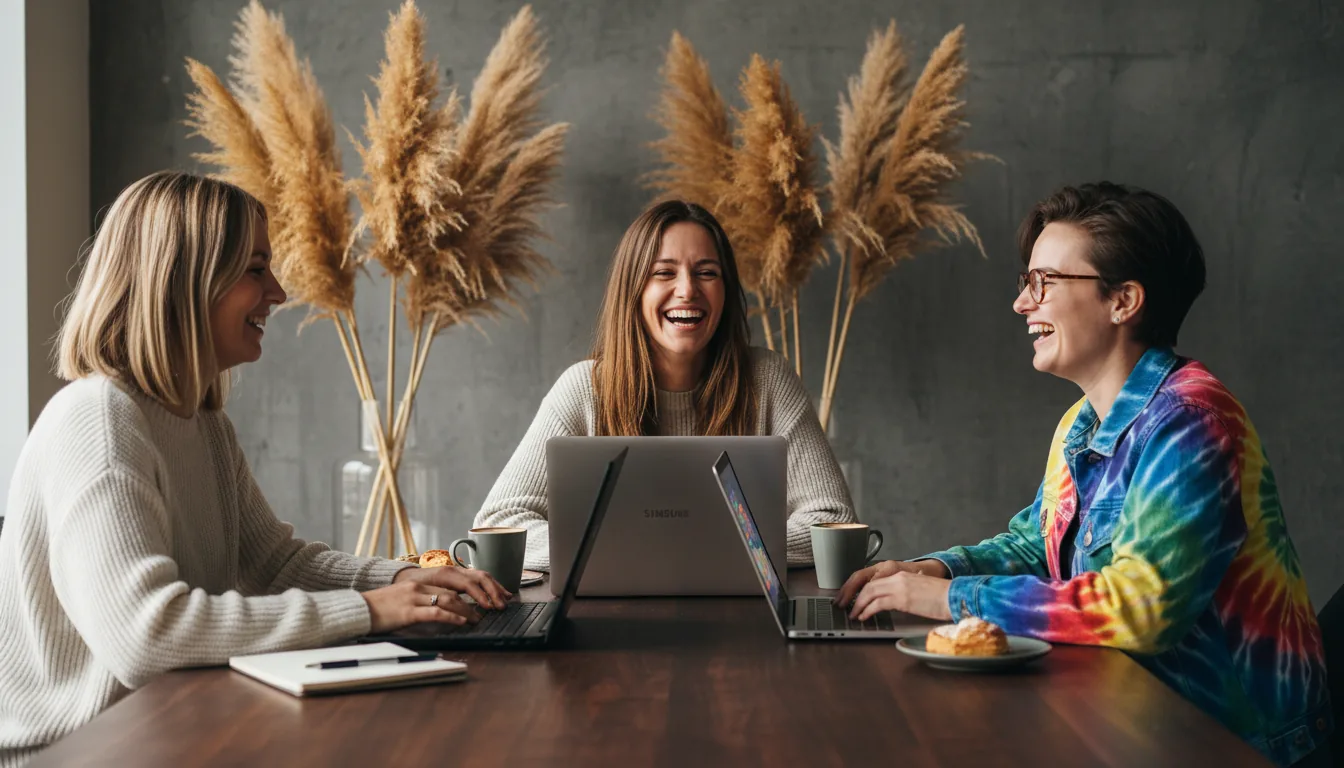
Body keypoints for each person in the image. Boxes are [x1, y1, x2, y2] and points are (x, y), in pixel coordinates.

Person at [0, 171, 509, 766]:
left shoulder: (201, 424)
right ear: (183, 282)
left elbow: (273, 562)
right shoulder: (100, 423)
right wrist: (369, 610)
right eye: (255, 269)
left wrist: (398, 578)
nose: (279, 292)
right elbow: (146, 635)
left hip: (162, 728)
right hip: (74, 750)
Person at [836, 183, 1331, 767]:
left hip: (1224, 743)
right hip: (1124, 720)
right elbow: (1033, 540)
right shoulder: (1082, 421)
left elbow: (1140, 608)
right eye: (1026, 282)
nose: (1023, 303)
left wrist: (950, 599)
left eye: (1043, 282)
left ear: (1123, 301)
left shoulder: (1193, 422)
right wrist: (933, 568)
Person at [474, 200, 855, 570]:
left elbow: (832, 518)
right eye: (664, 273)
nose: (687, 290)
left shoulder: (768, 379)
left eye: (707, 272)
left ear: (726, 291)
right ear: (634, 290)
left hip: (742, 620)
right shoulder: (583, 389)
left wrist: (685, 548)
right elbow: (498, 523)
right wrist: (633, 550)